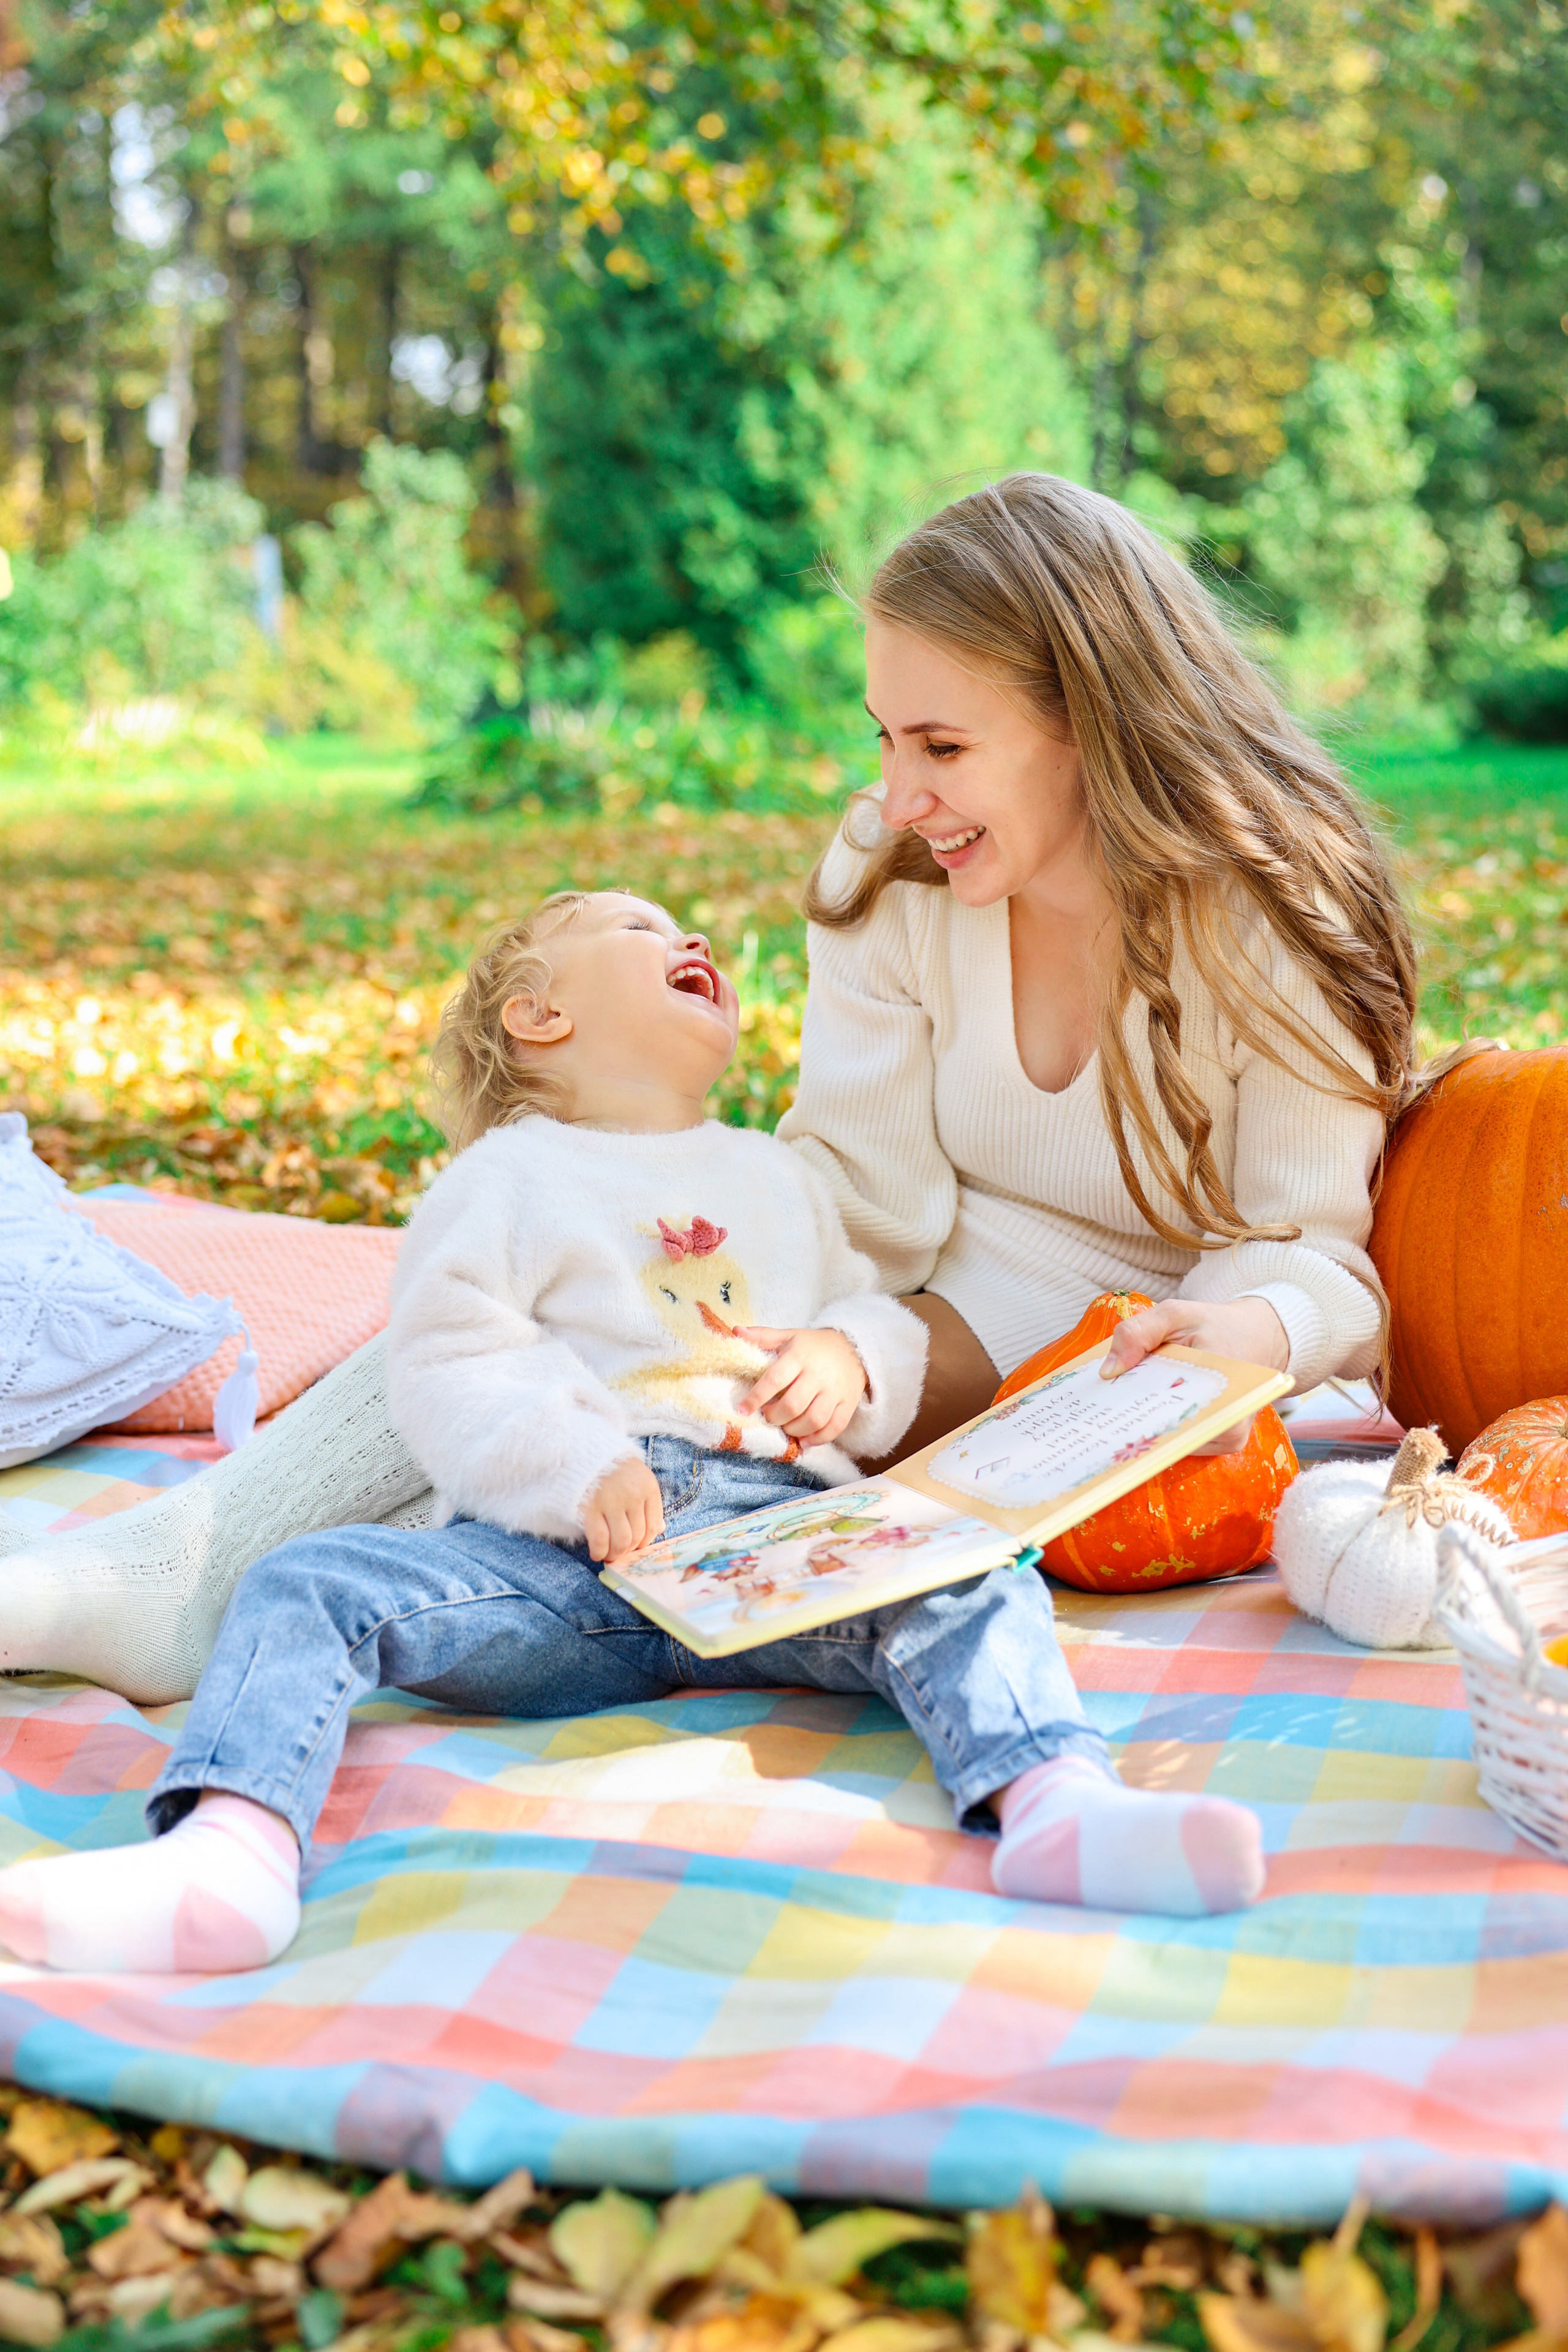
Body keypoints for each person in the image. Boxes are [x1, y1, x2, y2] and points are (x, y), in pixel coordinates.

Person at [0, 471, 1411, 1694]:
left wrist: (1249, 1335)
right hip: (874, 1304)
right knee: (550, 1306)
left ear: (1096, 721)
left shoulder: (1273, 924)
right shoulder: (896, 871)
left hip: (1102, 1374)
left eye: (941, 745)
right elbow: (852, 1187)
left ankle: (237, 1589)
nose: (897, 789)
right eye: (882, 732)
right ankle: (179, 1577)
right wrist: (758, 1293)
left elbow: (1317, 1271)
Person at [0, 892, 1266, 1974]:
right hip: (564, 1578)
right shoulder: (505, 1188)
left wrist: (845, 1364)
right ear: (538, 1017)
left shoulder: (776, 1184)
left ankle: (1055, 1802)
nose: (683, 931)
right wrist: (569, 1465)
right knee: (306, 1582)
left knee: (967, 1573)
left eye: (677, 923)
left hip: (777, 1551)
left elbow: (862, 1321)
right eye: (631, 926)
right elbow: (447, 1368)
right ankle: (226, 1857)